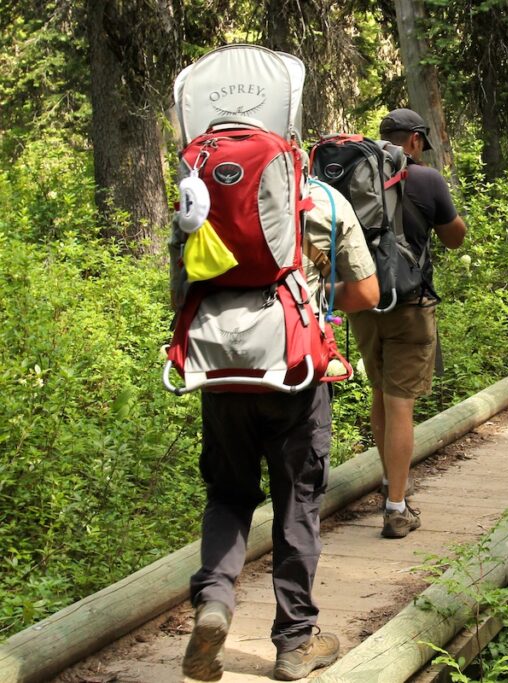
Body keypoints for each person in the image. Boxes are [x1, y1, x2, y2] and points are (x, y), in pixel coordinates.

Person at [177, 183, 379, 681]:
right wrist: (310, 294)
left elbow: (181, 289)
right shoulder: (323, 201)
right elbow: (367, 293)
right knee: (297, 505)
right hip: (295, 376)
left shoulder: (198, 197)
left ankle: (216, 602)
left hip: (222, 375)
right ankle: (294, 644)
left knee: (228, 495)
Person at [348, 107, 467, 539]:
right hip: (411, 303)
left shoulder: (354, 177)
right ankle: (396, 508)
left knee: (380, 394)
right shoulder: (426, 179)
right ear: (415, 140)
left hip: (364, 303)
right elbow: (454, 238)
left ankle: (389, 480)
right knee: (400, 403)